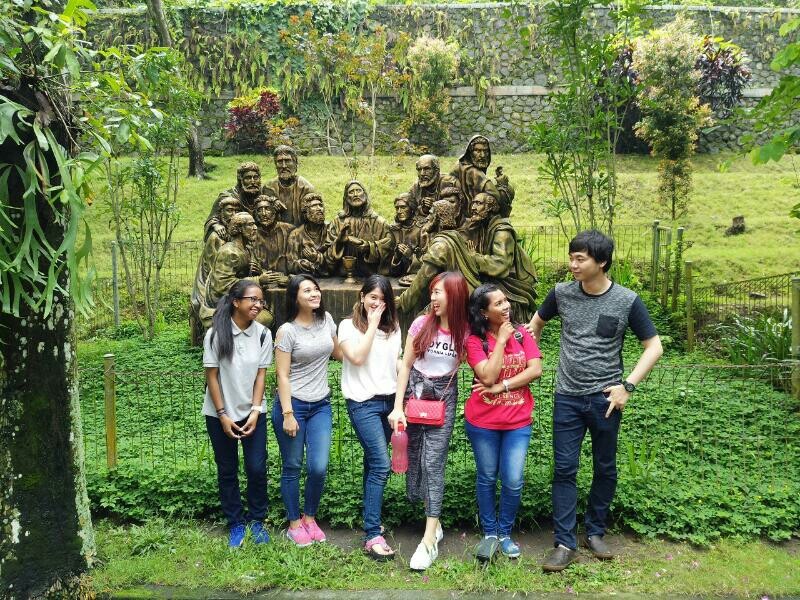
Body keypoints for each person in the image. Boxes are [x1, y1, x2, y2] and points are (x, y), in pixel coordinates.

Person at [525, 230, 663, 572]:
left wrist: (626, 386)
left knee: (605, 467)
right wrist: (532, 355)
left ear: (601, 262)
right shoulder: (561, 293)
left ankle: (596, 532)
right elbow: (535, 324)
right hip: (567, 397)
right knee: (564, 469)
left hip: (606, 400)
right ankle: (564, 542)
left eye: (580, 259)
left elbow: (654, 347)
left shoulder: (627, 300)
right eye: (571, 258)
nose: (572, 265)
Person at [388, 271, 470, 571]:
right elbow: (406, 366)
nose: (433, 297)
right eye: (432, 292)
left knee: (433, 463)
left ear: (455, 295)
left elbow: (479, 364)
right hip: (414, 397)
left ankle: (428, 540)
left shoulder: (466, 331)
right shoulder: (421, 324)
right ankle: (434, 523)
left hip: (444, 402)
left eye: (439, 292)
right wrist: (397, 407)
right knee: (416, 463)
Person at [465, 283, 542, 562]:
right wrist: (499, 341)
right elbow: (487, 376)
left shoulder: (522, 333)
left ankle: (505, 533)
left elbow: (536, 369)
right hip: (483, 422)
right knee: (487, 477)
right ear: (484, 312)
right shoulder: (475, 341)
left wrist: (503, 386)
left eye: (505, 300)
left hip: (518, 421)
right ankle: (490, 533)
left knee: (512, 479)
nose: (506, 305)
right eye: (498, 303)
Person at [272, 274, 342, 547]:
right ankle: (294, 524)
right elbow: (282, 375)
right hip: (294, 405)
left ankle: (310, 518)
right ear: (295, 297)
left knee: (318, 467)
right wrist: (288, 414)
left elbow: (339, 353)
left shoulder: (326, 321)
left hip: (321, 404)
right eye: (307, 290)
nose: (314, 294)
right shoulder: (286, 331)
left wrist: (371, 333)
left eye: (315, 289)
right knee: (292, 466)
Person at [202, 279, 273, 548]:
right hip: (219, 414)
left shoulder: (264, 334)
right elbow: (212, 376)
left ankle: (257, 520)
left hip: (253, 412)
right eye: (252, 299)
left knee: (256, 467)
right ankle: (235, 523)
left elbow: (261, 376)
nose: (258, 304)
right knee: (227, 469)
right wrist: (222, 414)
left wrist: (255, 410)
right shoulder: (215, 334)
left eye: (260, 300)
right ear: (235, 301)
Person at [397, 192, 537, 323]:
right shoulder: (467, 232)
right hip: (469, 288)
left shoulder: (502, 232)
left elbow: (500, 265)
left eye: (479, 204)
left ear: (491, 208)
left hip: (504, 286)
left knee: (422, 321)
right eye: (473, 203)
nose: (473, 207)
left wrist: (403, 301)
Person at [339, 275, 402, 560]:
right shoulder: (347, 327)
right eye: (372, 297)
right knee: (381, 464)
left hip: (389, 402)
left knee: (371, 463)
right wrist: (373, 324)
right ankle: (372, 534)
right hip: (362, 402)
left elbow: (393, 363)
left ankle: (371, 520)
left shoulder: (394, 327)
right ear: (362, 296)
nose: (377, 303)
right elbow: (357, 358)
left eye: (383, 299)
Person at [324, 181, 393, 277]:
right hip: (342, 276)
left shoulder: (378, 222)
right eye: (351, 192)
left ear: (365, 195)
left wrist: (368, 247)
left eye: (358, 190)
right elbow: (327, 254)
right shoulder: (337, 222)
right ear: (346, 198)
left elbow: (389, 247)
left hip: (371, 276)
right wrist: (339, 242)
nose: (355, 194)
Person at [264, 145, 316, 227]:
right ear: (275, 165)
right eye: (280, 161)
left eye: (287, 161)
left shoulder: (307, 189)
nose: (284, 166)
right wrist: (272, 201)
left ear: (295, 164)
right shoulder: (268, 188)